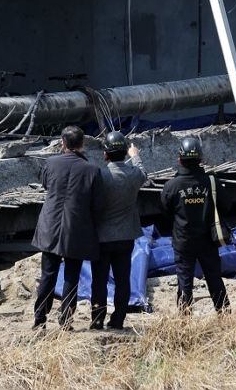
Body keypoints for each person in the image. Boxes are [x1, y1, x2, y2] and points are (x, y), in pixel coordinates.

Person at [32, 125, 105, 329]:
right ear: (83, 144)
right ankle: (66, 320)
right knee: (72, 276)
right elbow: (98, 205)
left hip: (49, 225)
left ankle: (39, 319)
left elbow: (47, 185)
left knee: (48, 274)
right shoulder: (92, 170)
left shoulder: (50, 162)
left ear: (62, 144)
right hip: (77, 229)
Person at [160, 135, 231, 313]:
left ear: (179, 159)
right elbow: (227, 206)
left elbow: (165, 211)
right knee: (214, 278)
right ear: (200, 159)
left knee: (184, 280)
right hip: (208, 239)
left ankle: (185, 319)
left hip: (183, 241)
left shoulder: (172, 186)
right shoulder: (211, 182)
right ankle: (224, 315)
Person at [90, 131, 147, 331]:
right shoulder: (134, 175)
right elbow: (142, 172)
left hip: (102, 237)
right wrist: (135, 154)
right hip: (126, 236)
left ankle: (97, 319)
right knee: (123, 279)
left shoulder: (100, 175)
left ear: (105, 154)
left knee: (99, 281)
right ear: (125, 153)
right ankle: (118, 319)